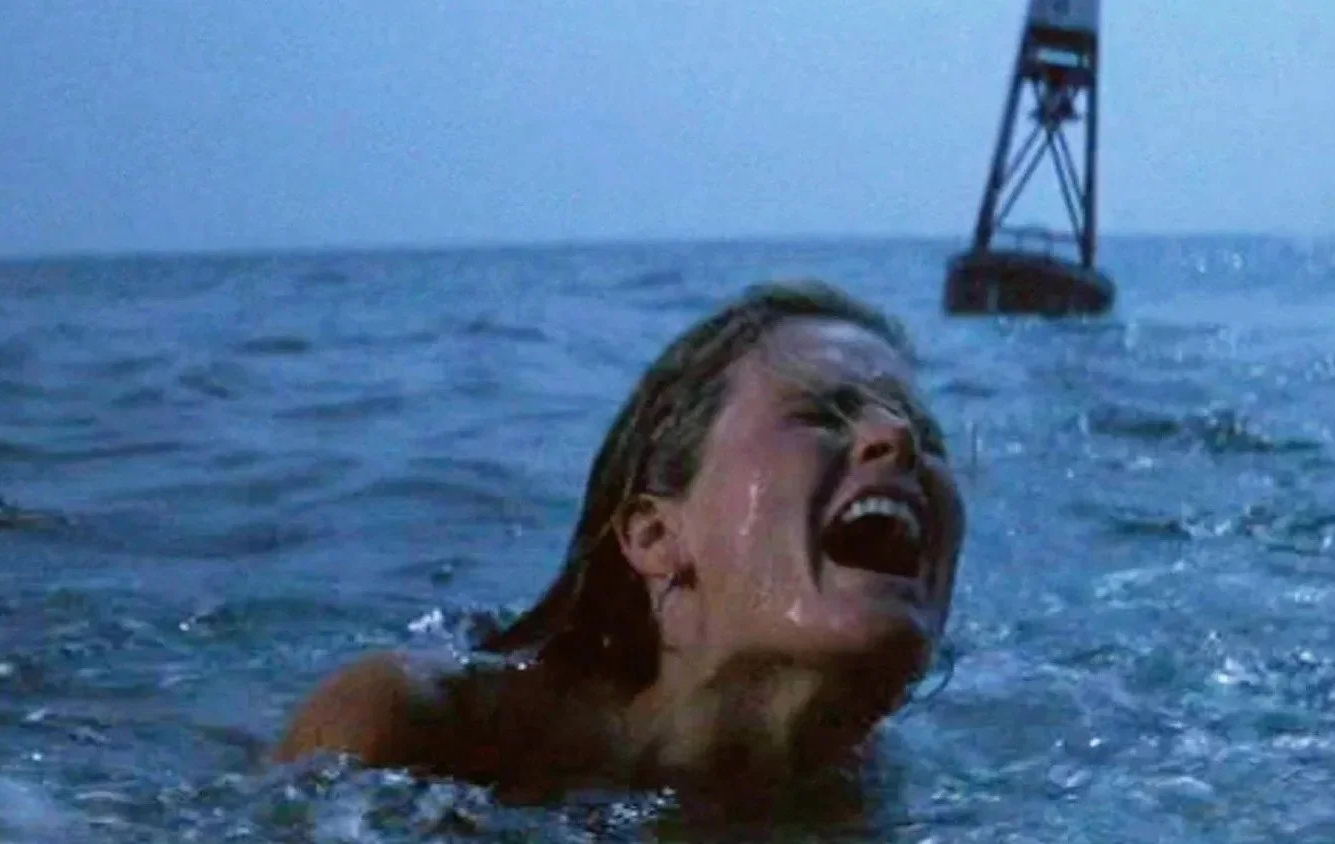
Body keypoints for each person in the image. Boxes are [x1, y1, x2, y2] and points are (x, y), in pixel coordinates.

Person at [272, 280, 966, 808]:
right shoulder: (408, 731)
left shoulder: (868, 795)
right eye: (823, 414)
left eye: (927, 436)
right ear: (655, 536)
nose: (900, 440)